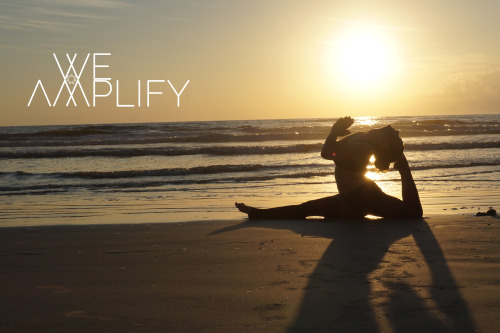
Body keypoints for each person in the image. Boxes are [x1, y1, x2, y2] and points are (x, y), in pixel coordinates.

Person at [235, 116, 423, 219]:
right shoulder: (361, 137)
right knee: (305, 209)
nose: (397, 131)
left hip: (364, 198)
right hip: (353, 197)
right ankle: (255, 213)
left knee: (413, 213)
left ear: (385, 144)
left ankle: (404, 168)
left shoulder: (364, 148)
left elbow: (327, 154)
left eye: (397, 138)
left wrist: (333, 132)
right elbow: (333, 150)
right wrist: (334, 134)